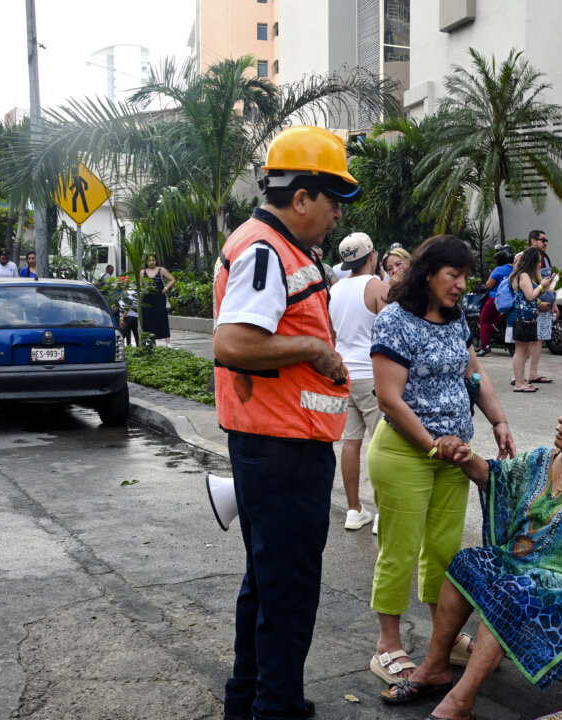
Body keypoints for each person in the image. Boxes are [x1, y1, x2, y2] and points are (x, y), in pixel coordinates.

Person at [378, 393, 562, 720]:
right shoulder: (541, 460)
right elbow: (494, 477)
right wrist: (466, 458)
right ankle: (435, 668)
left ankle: (460, 702)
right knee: (466, 563)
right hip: (523, 561)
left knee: (508, 593)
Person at [212, 125, 359, 720]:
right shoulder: (267, 252)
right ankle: (276, 710)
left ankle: (251, 702)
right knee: (288, 593)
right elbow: (232, 344)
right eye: (333, 202)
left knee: (268, 586)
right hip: (281, 450)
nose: (335, 217)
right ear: (301, 196)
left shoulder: (274, 247)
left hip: (276, 446)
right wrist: (313, 352)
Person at [367, 235, 515, 687]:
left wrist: (498, 420)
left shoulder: (455, 318)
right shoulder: (395, 321)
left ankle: (444, 639)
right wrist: (434, 443)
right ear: (427, 273)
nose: (460, 286)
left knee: (445, 553)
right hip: (405, 453)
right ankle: (387, 646)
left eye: (465, 277)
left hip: (455, 456)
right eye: (454, 275)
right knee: (401, 549)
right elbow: (390, 400)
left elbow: (473, 372)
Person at [329, 231, 389, 532]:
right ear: (372, 255)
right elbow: (391, 334)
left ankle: (354, 509)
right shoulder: (377, 286)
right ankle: (384, 512)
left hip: (343, 375)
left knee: (351, 443)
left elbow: (332, 334)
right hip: (372, 375)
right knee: (383, 445)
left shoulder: (334, 290)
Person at [509, 248, 556, 392]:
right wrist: (542, 285)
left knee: (525, 350)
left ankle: (522, 380)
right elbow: (530, 295)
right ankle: (519, 382)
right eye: (539, 261)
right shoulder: (523, 275)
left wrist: (544, 285)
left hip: (528, 316)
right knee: (521, 351)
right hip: (522, 316)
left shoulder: (524, 275)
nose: (540, 264)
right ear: (532, 261)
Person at [518, 230, 556, 385]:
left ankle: (533, 373)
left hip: (545, 303)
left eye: (547, 240)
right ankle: (518, 376)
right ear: (533, 240)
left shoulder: (545, 258)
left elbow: (549, 285)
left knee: (540, 339)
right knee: (525, 342)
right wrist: (540, 303)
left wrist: (554, 305)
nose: (545, 243)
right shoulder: (522, 257)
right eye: (543, 240)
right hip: (531, 305)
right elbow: (518, 282)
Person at [477, 245, 514, 357]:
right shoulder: (516, 269)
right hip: (511, 300)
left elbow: (489, 285)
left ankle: (484, 347)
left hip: (496, 299)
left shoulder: (498, 270)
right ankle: (495, 327)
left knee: (483, 320)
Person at [140, 254, 176, 345]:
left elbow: (172, 280)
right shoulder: (142, 272)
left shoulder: (161, 270)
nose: (151, 262)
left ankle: (168, 343)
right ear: (146, 262)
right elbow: (140, 286)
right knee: (148, 319)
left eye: (153, 260)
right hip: (147, 299)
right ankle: (152, 342)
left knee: (162, 318)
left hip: (159, 299)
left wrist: (166, 288)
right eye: (149, 260)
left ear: (156, 261)